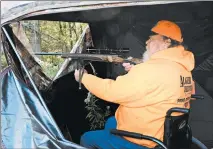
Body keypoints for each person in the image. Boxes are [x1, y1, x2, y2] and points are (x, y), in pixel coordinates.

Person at [74, 20, 195, 149]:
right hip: (166, 133)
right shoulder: (183, 70)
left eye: (151, 39)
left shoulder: (152, 70)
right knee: (111, 121)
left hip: (145, 139)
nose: (147, 43)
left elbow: (112, 91)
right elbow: (169, 90)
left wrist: (84, 78)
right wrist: (136, 72)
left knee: (87, 138)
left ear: (166, 43)